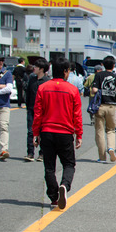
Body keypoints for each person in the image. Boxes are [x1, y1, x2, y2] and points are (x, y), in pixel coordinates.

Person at [33, 57, 83, 210]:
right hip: (65, 132)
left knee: (49, 167)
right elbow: (77, 115)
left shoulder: (43, 88)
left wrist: (36, 133)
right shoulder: (72, 89)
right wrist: (78, 134)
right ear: (66, 71)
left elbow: (38, 113)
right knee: (69, 164)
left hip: (47, 131)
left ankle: (54, 197)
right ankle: (64, 185)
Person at [91, 56, 116, 163]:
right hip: (112, 106)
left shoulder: (99, 75)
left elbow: (94, 89)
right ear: (113, 66)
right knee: (111, 130)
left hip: (100, 106)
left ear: (103, 65)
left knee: (99, 131)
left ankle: (102, 157)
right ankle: (111, 148)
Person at [24, 58, 51, 162]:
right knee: (30, 131)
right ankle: (30, 153)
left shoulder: (47, 82)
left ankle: (42, 154)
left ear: (41, 69)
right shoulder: (32, 79)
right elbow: (28, 94)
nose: (34, 68)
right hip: (32, 109)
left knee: (43, 132)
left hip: (44, 111)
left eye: (36, 67)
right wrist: (27, 107)